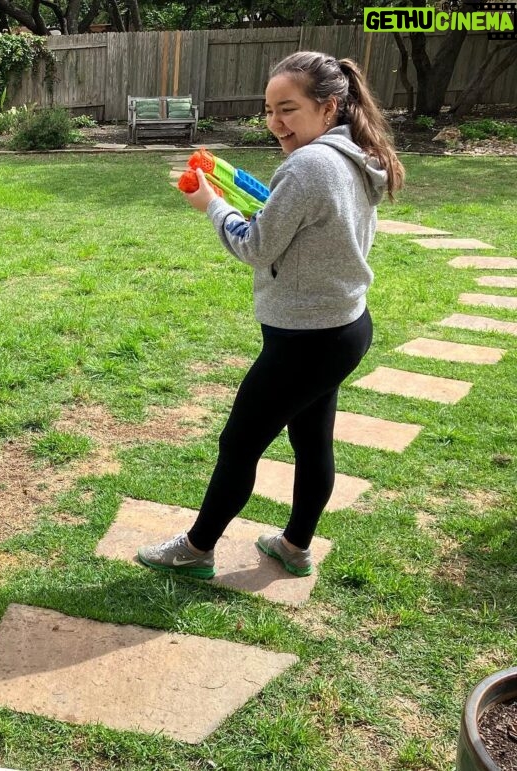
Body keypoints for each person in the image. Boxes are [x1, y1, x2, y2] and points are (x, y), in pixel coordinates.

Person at [138, 51, 404, 580]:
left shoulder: (308, 165)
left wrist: (212, 205)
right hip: (343, 329)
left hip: (305, 341)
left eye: (288, 109)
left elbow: (257, 246)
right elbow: (296, 221)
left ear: (328, 107)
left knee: (238, 444)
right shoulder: (355, 151)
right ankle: (295, 546)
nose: (274, 123)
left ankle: (194, 551)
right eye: (268, 110)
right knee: (312, 441)